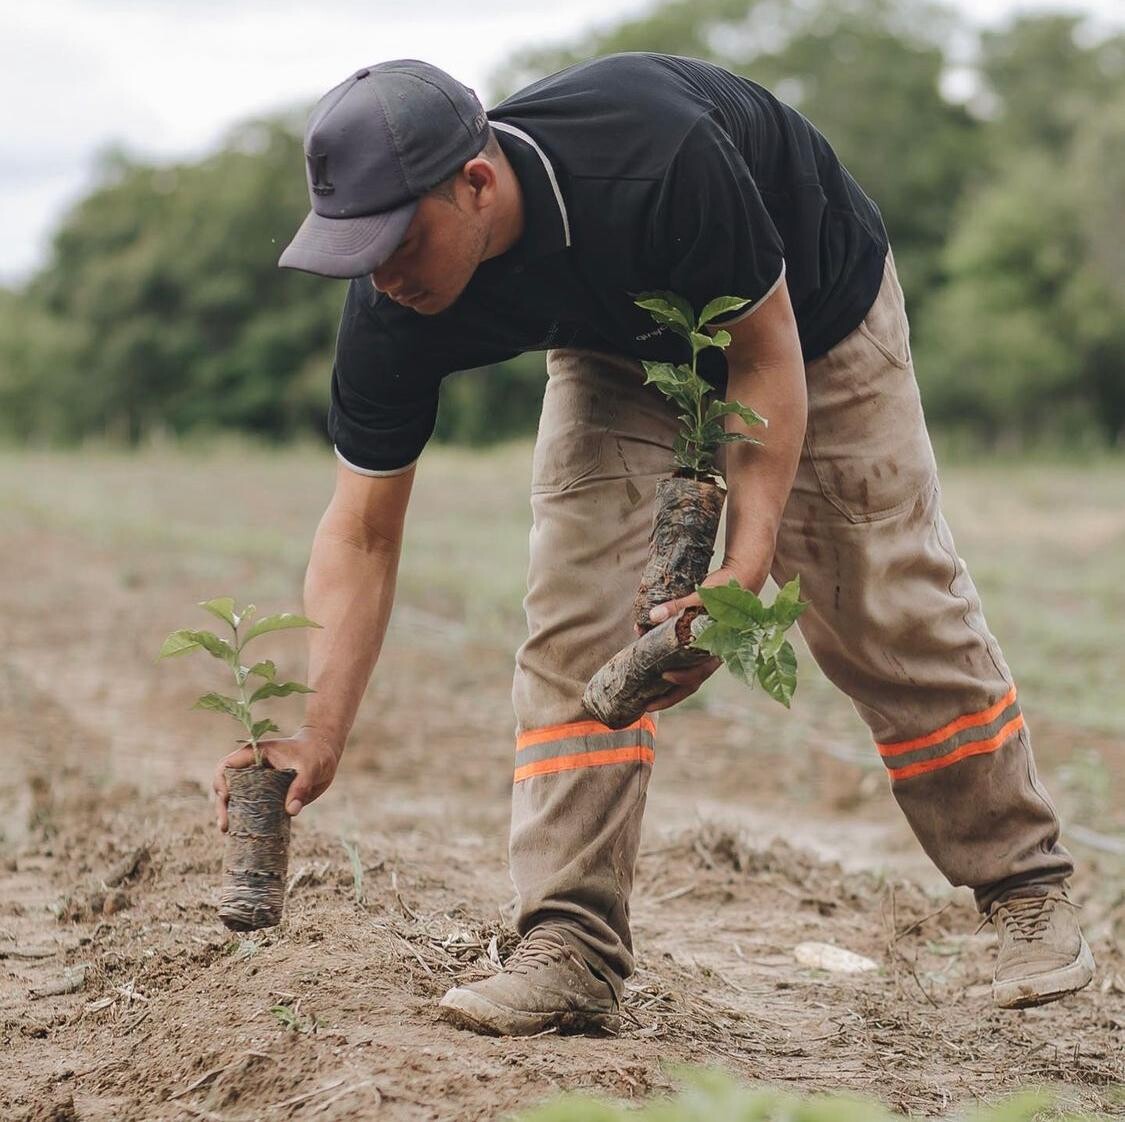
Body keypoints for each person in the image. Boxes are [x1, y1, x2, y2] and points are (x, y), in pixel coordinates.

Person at [212, 54, 1094, 1035]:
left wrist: (741, 575)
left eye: (396, 240)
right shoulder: (392, 305)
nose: (380, 272)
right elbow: (362, 532)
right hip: (619, 347)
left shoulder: (656, 156)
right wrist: (321, 729)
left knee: (876, 599)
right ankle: (569, 945)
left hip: (809, 313)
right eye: (356, 246)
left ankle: (1026, 892)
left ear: (476, 183)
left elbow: (763, 356)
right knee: (577, 616)